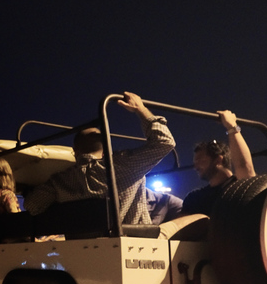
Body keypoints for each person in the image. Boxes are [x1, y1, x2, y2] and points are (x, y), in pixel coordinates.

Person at [24, 92, 175, 225]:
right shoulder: (123, 164)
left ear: (75, 151)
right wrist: (140, 109)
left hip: (84, 245)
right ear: (105, 150)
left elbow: (32, 205)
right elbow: (165, 142)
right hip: (134, 241)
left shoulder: (60, 181)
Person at [182, 110, 256, 216]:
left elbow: (243, 166)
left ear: (218, 160)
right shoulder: (194, 197)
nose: (196, 166)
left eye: (200, 160)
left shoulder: (238, 187)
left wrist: (231, 126)